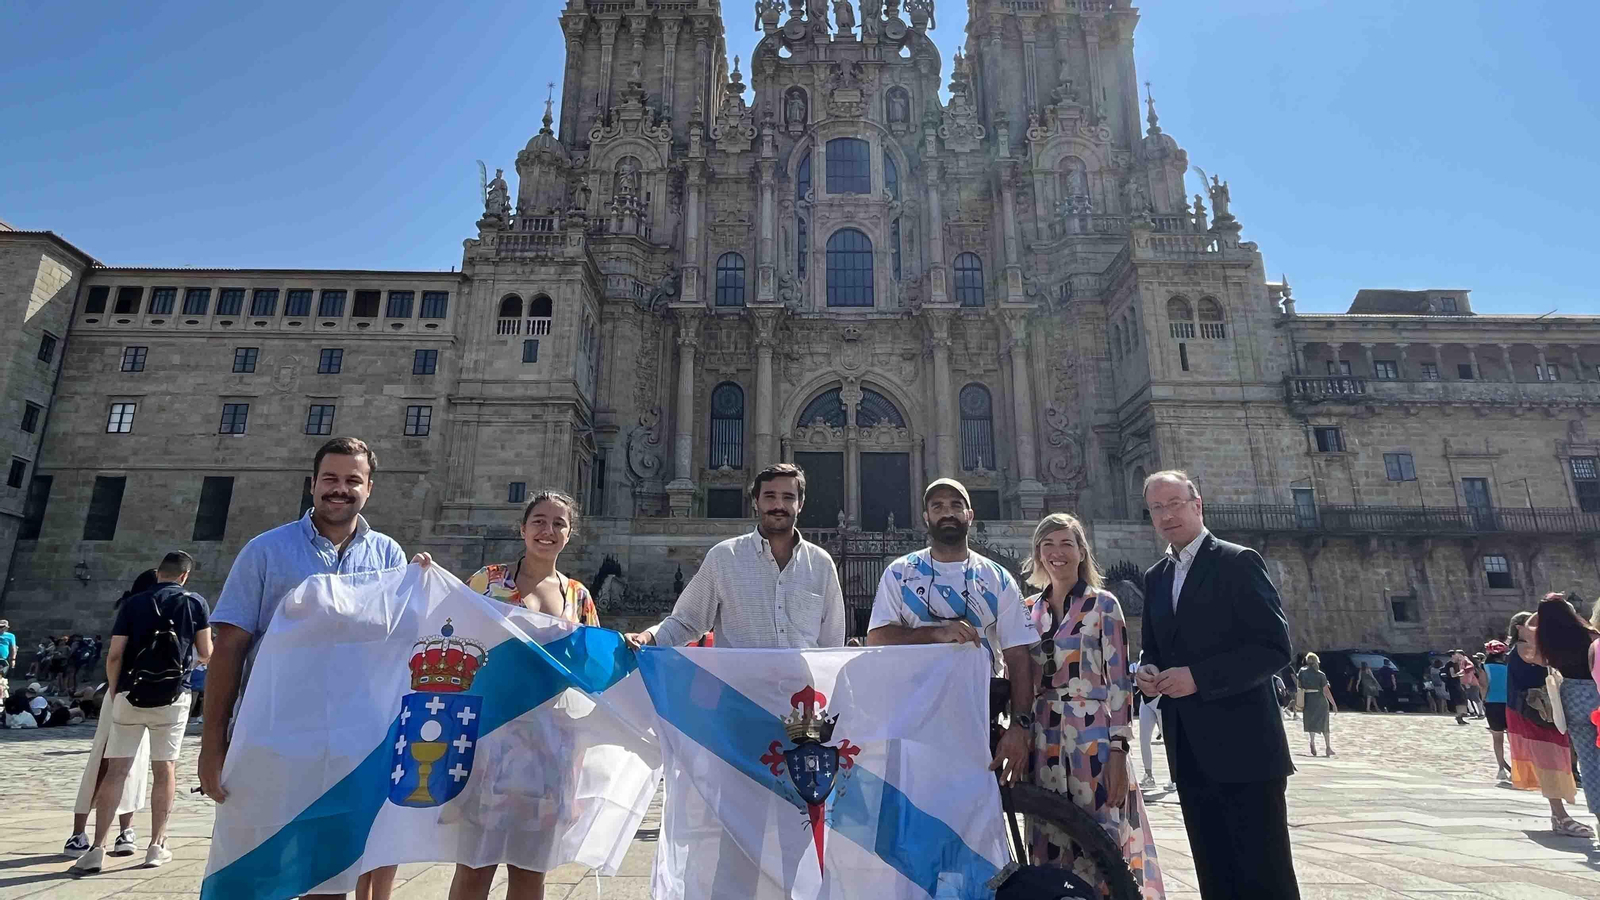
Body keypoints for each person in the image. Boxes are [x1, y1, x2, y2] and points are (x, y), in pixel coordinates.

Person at [201, 437, 405, 900]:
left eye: (352, 480)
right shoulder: (265, 551)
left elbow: (397, 647)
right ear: (312, 484)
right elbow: (229, 648)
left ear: (369, 488)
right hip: (271, 738)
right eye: (330, 478)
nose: (340, 489)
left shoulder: (389, 556)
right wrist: (213, 743)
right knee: (252, 870)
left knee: (329, 875)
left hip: (351, 744)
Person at [1135, 470, 1299, 899]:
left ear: (1197, 505)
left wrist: (1198, 678)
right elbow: (1154, 647)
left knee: (1266, 877)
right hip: (1189, 750)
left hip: (1246, 750)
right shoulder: (1156, 577)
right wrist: (1147, 672)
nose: (1166, 515)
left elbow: (1273, 648)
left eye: (1174, 504)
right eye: (1156, 508)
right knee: (1214, 873)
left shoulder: (1237, 562)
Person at [442, 490, 597, 900]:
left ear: (570, 534)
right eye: (539, 521)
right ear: (522, 528)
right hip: (488, 741)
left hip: (550, 746)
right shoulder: (487, 580)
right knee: (474, 868)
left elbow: (591, 678)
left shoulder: (578, 596)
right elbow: (447, 630)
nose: (548, 530)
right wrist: (424, 578)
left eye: (559, 523)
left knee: (530, 872)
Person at [1019, 513, 1164, 897]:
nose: (1057, 552)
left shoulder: (1104, 605)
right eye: (1048, 545)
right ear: (1038, 553)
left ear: (1082, 552)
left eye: (1066, 543)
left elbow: (1118, 682)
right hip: (1043, 738)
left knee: (1099, 836)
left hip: (1093, 737)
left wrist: (1118, 750)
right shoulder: (1028, 610)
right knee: (1049, 836)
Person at [865, 478, 1037, 787]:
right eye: (938, 506)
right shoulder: (899, 573)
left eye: (956, 506)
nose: (947, 513)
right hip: (913, 717)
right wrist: (936, 634)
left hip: (980, 716)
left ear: (970, 515)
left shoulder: (998, 578)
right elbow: (877, 637)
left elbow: (1018, 655)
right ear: (926, 517)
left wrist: (1020, 725)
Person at [70, 551, 213, 875]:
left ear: (159, 572)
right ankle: (156, 845)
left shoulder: (134, 603)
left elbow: (115, 655)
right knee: (165, 770)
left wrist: (115, 690)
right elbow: (206, 652)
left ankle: (97, 849)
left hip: (130, 695)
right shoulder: (195, 603)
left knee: (117, 771)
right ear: (184, 576)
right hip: (173, 697)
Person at [626, 463, 846, 650]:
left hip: (802, 689)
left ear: (801, 505)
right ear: (756, 502)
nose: (779, 505)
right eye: (770, 496)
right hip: (736, 688)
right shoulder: (723, 558)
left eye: (788, 497)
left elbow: (832, 645)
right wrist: (648, 638)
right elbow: (687, 622)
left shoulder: (822, 564)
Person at [1505, 610, 1592, 838]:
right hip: (1534, 712)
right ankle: (1560, 816)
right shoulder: (1524, 648)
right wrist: (1554, 611)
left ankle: (1559, 815)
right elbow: (1546, 660)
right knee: (1549, 761)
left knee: (1557, 759)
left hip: (1545, 711)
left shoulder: (1529, 648)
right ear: (1521, 629)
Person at [1534, 592, 1600, 831]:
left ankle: (1599, 814)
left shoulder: (1548, 640)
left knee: (1588, 762)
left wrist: (1543, 613)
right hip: (1595, 693)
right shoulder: (1589, 635)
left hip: (1571, 697)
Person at [1482, 641, 1511, 783]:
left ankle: (1501, 769)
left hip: (1493, 704)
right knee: (1512, 739)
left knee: (1497, 738)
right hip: (1510, 704)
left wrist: (1483, 700)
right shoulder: (1509, 667)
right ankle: (1518, 768)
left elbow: (1484, 686)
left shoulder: (1485, 667)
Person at [1296, 653, 1336, 756]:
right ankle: (1328, 747)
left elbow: (1299, 685)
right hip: (1320, 700)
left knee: (1311, 722)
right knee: (1324, 723)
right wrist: (1334, 704)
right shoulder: (1320, 674)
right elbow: (1326, 691)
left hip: (1308, 699)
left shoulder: (1302, 672)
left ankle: (1312, 742)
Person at [1442, 653, 1468, 725]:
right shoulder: (1450, 665)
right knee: (1459, 700)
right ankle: (1459, 716)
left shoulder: (1455, 664)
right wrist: (1460, 674)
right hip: (1453, 686)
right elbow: (1452, 675)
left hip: (1456, 684)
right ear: (1453, 656)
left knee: (1461, 700)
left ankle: (1460, 716)